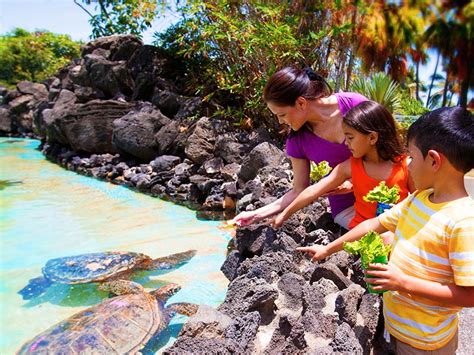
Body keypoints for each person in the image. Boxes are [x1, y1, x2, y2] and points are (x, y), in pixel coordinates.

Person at [297, 106, 474, 353]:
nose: (407, 164)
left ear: (434, 160)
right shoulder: (418, 200)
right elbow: (373, 224)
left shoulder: (463, 221)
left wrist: (403, 282)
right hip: (400, 329)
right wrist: (327, 249)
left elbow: (470, 295)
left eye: (411, 156)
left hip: (427, 343)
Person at [232, 66, 368, 228]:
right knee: (384, 238)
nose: (280, 122)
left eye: (282, 115)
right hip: (348, 208)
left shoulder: (354, 104)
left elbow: (385, 149)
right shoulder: (296, 140)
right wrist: (255, 214)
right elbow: (298, 190)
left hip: (384, 192)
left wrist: (354, 180)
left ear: (301, 103)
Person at [271, 100, 414, 230]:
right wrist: (285, 214)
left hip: (396, 230)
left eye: (350, 138)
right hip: (361, 231)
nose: (346, 143)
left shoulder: (406, 166)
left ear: (372, 137)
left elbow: (419, 202)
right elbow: (314, 190)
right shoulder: (350, 166)